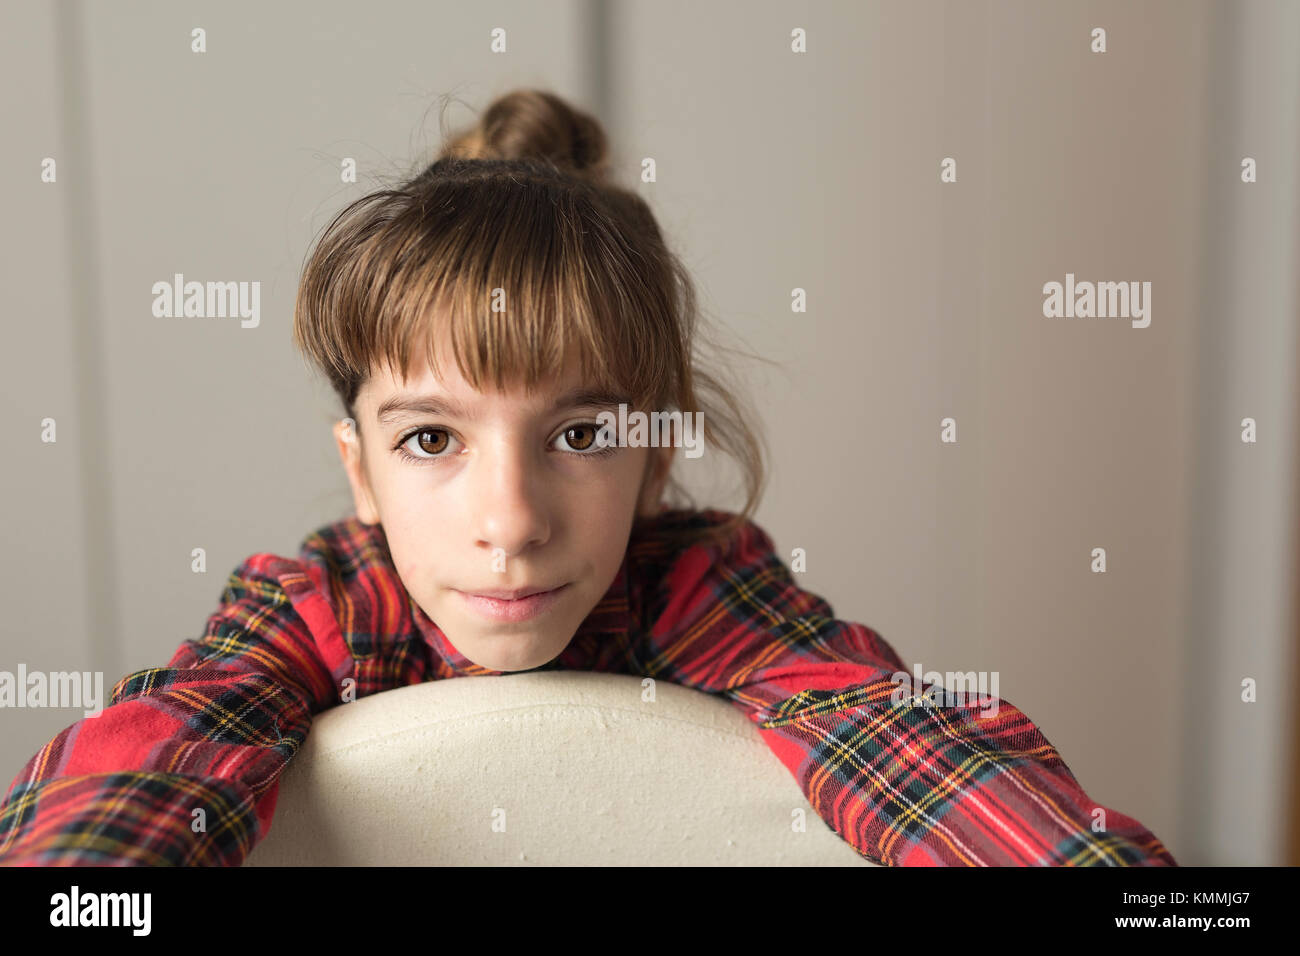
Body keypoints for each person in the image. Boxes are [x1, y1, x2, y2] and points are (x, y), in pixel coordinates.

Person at [0, 88, 1176, 866]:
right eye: (430, 440)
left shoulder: (695, 585)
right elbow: (163, 753)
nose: (508, 522)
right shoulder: (318, 605)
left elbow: (889, 738)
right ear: (357, 471)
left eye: (579, 436)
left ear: (656, 453)